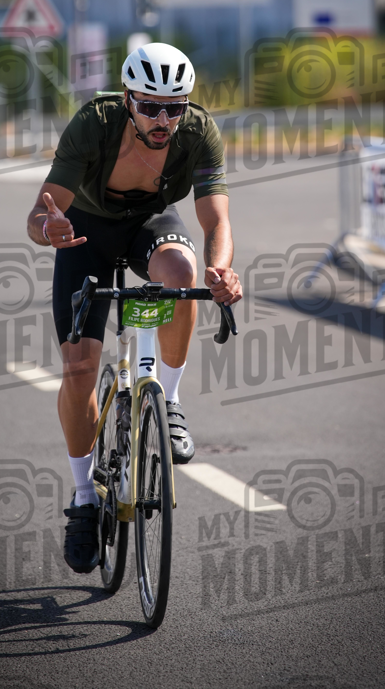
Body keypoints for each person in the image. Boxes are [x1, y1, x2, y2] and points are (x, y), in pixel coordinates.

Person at [26, 42, 242, 574]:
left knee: (184, 275)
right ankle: (82, 498)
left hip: (149, 225)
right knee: (79, 369)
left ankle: (166, 401)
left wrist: (223, 269)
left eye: (175, 106)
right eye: (150, 106)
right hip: (85, 234)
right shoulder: (93, 124)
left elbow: (216, 222)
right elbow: (40, 212)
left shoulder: (197, 131)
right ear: (127, 99)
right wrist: (48, 229)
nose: (164, 119)